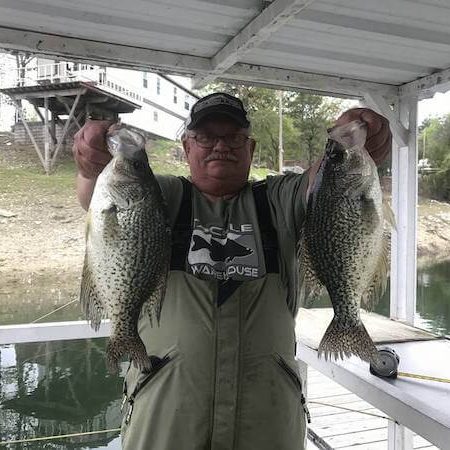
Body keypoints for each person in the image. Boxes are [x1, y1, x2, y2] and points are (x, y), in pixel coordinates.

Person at [73, 92, 392, 450]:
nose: (220, 146)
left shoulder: (278, 199)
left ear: (251, 148)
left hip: (267, 424)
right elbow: (96, 198)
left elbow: (325, 184)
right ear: (186, 146)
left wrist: (348, 134)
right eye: (206, 136)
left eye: (234, 137)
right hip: (164, 421)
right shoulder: (157, 196)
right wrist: (90, 163)